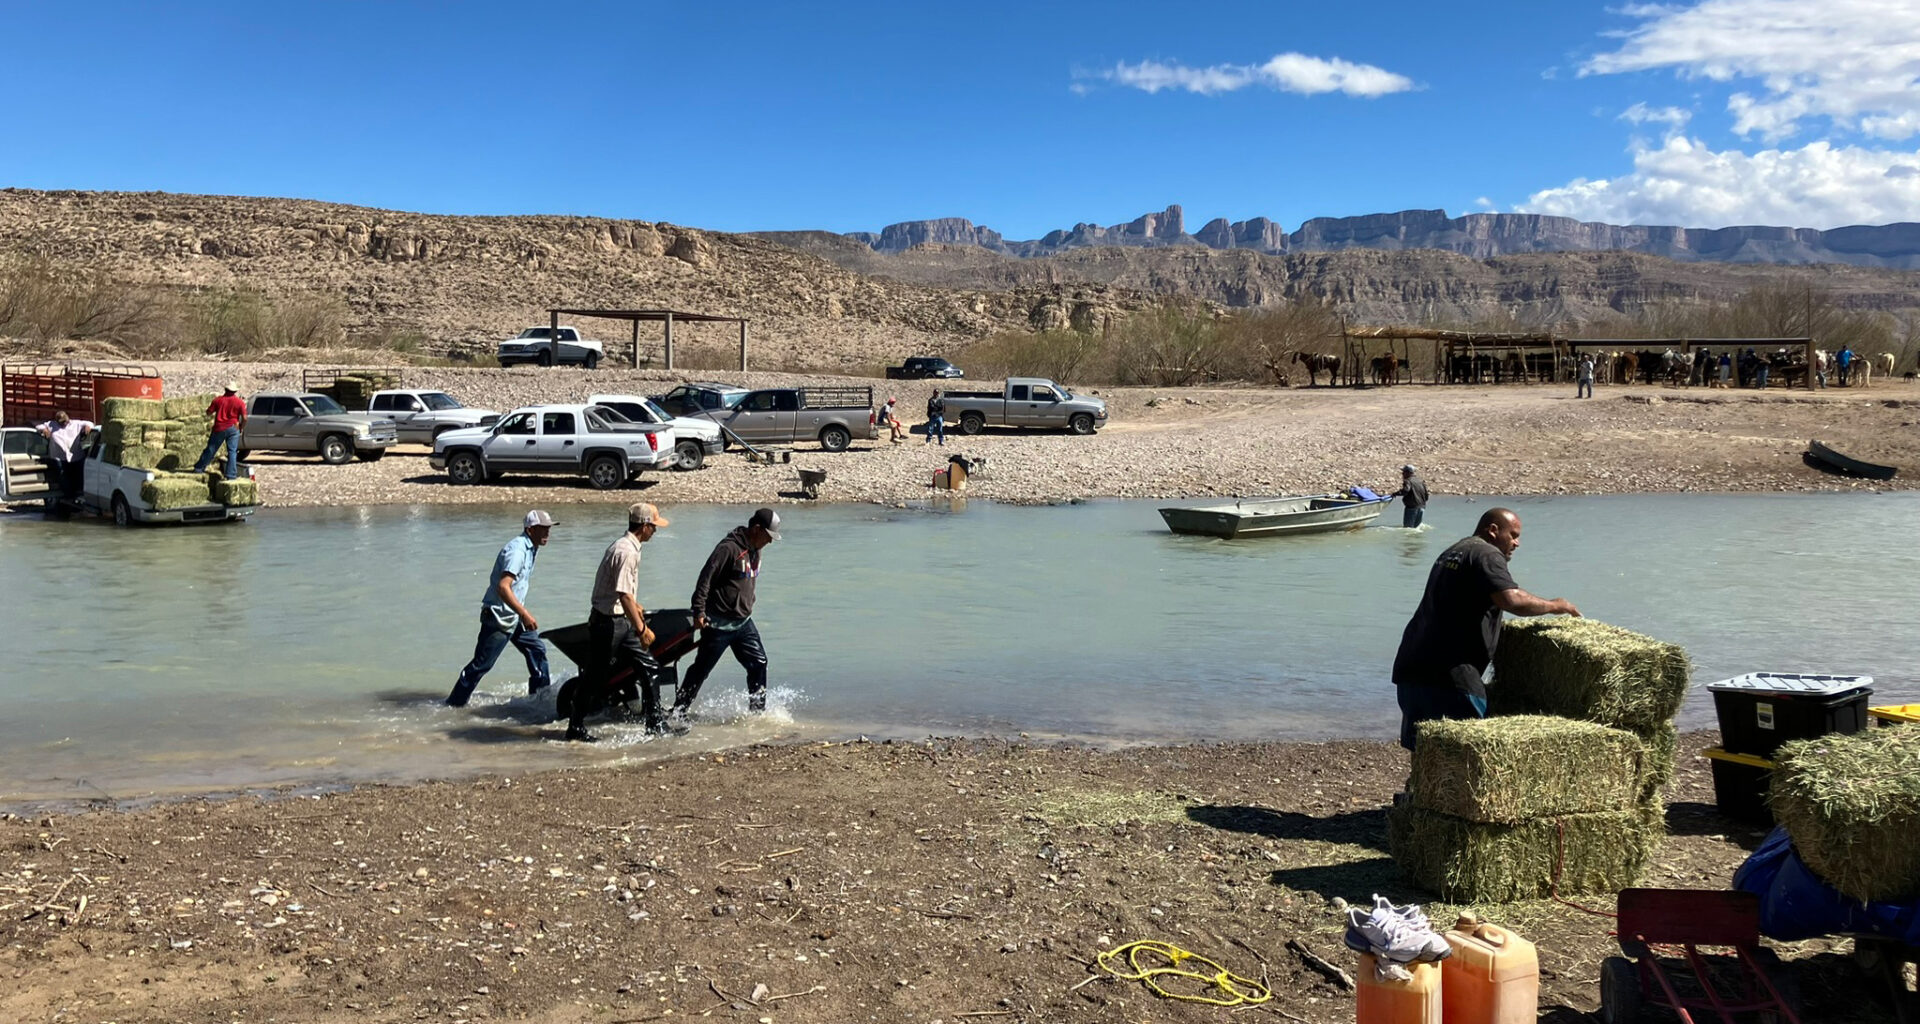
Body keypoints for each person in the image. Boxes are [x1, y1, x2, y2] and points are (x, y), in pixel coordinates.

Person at [1390, 508, 1581, 751]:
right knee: (1468, 756)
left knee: (1427, 755)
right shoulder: (1487, 553)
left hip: (1412, 668)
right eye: (1513, 535)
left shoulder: (1455, 551)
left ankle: (1417, 791)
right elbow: (1511, 599)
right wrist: (1556, 605)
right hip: (1451, 675)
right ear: (1493, 530)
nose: (1517, 543)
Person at [575, 503, 684, 741]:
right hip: (609, 624)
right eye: (653, 527)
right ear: (644, 526)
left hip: (619, 621)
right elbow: (623, 595)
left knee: (650, 668)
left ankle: (654, 725)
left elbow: (623, 593)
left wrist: (635, 607)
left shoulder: (627, 546)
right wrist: (642, 628)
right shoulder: (626, 551)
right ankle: (574, 727)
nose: (655, 531)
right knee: (596, 677)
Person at [672, 507, 779, 719]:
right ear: (757, 530)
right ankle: (678, 711)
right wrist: (699, 611)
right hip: (719, 624)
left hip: (743, 623)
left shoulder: (756, 549)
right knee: (701, 670)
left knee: (759, 663)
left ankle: (757, 714)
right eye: (769, 536)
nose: (770, 542)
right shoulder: (728, 549)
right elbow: (706, 579)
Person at [447, 510, 554, 707]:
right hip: (499, 616)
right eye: (543, 529)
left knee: (537, 650)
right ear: (530, 530)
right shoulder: (518, 551)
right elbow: (503, 587)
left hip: (514, 615)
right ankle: (453, 705)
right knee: (481, 665)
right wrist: (525, 613)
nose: (548, 533)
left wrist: (520, 613)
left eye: (548, 528)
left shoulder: (531, 547)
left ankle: (540, 701)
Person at [35, 410, 95, 501]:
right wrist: (44, 429)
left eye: (65, 421)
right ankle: (67, 496)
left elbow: (90, 423)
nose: (64, 423)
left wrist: (87, 427)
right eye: (62, 422)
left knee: (78, 477)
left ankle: (78, 495)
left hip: (75, 456)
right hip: (60, 457)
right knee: (64, 478)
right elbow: (38, 426)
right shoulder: (52, 425)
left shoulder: (76, 424)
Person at [194, 382, 248, 480]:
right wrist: (241, 427)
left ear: (225, 390)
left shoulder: (218, 400)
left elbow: (208, 412)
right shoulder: (240, 402)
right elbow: (245, 418)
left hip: (219, 427)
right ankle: (231, 475)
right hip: (233, 427)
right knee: (232, 451)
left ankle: (199, 467)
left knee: (211, 449)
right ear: (235, 391)